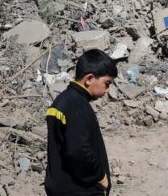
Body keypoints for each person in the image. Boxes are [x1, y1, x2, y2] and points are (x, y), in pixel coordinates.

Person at [44, 49, 118, 195]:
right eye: (106, 83)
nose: (107, 90)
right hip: (79, 190)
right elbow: (78, 151)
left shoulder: (62, 101)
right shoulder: (77, 105)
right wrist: (100, 177)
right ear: (89, 79)